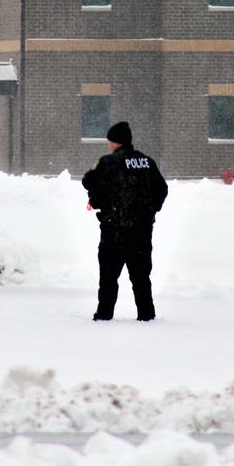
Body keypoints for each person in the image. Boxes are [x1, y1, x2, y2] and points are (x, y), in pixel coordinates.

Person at [82, 121, 168, 321]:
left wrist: (100, 199)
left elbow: (89, 181)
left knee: (109, 278)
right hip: (142, 231)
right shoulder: (146, 162)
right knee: (141, 278)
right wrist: (149, 211)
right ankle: (146, 315)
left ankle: (104, 315)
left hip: (115, 230)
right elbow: (161, 189)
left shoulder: (109, 163)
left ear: (113, 142)